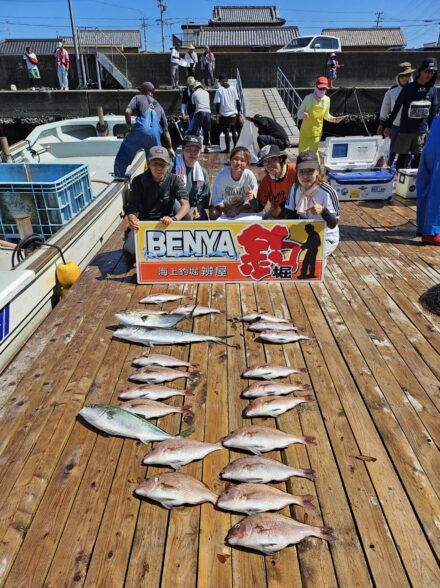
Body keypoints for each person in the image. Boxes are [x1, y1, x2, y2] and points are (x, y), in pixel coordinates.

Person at [123, 146, 190, 261]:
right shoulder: (138, 181)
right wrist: (132, 220)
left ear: (168, 165)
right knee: (129, 254)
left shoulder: (175, 180)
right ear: (149, 164)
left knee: (186, 217)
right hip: (144, 223)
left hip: (167, 221)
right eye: (155, 163)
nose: (158, 167)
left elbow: (186, 204)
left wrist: (174, 219)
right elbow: (132, 208)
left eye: (162, 164)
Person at [385, 57, 438, 171]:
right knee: (402, 158)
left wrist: (431, 130)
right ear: (421, 71)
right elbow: (397, 107)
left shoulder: (433, 90)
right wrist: (388, 125)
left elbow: (433, 112)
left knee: (418, 158)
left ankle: (413, 185)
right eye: (427, 71)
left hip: (421, 131)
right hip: (405, 131)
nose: (430, 74)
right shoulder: (409, 88)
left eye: (432, 72)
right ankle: (400, 182)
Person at [284, 151, 339, 258]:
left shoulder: (328, 192)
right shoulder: (295, 188)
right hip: (304, 231)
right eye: (301, 172)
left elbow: (333, 224)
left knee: (309, 256)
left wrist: (323, 211)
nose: (305, 176)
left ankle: (323, 260)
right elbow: (289, 215)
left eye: (310, 171)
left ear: (318, 171)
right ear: (296, 173)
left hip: (326, 235)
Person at [114, 81, 174, 178]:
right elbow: (166, 131)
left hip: (140, 131)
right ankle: (155, 179)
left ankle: (119, 175)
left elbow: (127, 112)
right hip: (155, 135)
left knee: (125, 151)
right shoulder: (160, 106)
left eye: (141, 90)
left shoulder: (137, 97)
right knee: (156, 159)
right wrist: (170, 147)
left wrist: (129, 128)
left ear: (143, 90)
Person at [377, 62, 415, 166]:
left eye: (407, 76)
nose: (404, 78)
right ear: (398, 77)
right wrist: (382, 124)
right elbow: (385, 108)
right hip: (396, 126)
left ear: (411, 76)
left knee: (409, 151)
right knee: (392, 149)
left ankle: (407, 170)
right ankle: (389, 167)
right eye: (402, 76)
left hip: (412, 127)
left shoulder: (416, 89)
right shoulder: (391, 91)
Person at [297, 76, 344, 158]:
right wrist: (303, 115)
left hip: (317, 133)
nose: (322, 91)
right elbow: (298, 114)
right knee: (303, 155)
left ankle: (316, 169)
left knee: (313, 155)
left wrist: (334, 120)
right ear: (315, 87)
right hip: (305, 133)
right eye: (320, 88)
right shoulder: (308, 98)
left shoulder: (327, 100)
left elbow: (326, 116)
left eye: (324, 89)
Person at [209, 146, 258, 220]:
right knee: (213, 212)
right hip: (225, 207)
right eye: (235, 159)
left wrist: (240, 209)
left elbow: (253, 200)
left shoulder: (249, 176)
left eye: (242, 160)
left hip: (242, 207)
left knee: (254, 209)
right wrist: (226, 210)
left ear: (247, 163)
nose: (238, 163)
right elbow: (216, 200)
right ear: (230, 160)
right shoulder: (221, 176)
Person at [172, 135, 211, 220]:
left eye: (196, 150)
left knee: (203, 218)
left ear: (200, 152)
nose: (192, 153)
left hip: (192, 207)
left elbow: (203, 196)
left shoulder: (203, 173)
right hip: (174, 205)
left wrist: (198, 210)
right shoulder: (172, 168)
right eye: (188, 149)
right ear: (182, 150)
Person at [415, 114, 440, 245]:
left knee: (426, 184)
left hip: (434, 133)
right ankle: (432, 231)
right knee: (437, 189)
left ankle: (422, 226)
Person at [254, 144, 296, 219]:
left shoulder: (294, 170)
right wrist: (251, 199)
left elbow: (304, 193)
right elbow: (259, 207)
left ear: (280, 159)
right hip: (277, 217)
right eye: (265, 162)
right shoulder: (266, 181)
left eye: (272, 159)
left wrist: (280, 208)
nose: (269, 165)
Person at [214, 74, 243, 153]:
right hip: (233, 114)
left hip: (224, 115)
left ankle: (227, 149)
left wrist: (217, 116)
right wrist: (239, 112)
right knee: (233, 131)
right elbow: (237, 101)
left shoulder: (219, 90)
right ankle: (235, 147)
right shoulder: (233, 89)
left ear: (221, 81)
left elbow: (218, 104)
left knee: (226, 131)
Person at [191, 82, 212, 151]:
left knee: (197, 129)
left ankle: (197, 146)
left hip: (199, 112)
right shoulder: (206, 93)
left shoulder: (194, 94)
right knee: (207, 129)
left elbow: (193, 106)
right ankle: (206, 146)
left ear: (195, 88)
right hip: (208, 112)